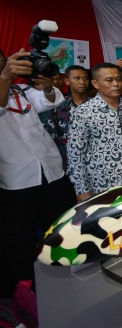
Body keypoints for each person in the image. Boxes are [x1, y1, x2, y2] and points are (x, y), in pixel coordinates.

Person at [0, 49, 76, 298]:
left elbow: (51, 100)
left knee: (59, 227)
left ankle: (65, 274)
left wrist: (46, 86)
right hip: (17, 180)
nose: (3, 67)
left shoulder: (20, 91)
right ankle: (27, 290)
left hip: (51, 171)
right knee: (20, 240)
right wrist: (4, 78)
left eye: (3, 62)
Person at [67, 62, 122, 202]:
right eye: (109, 80)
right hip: (103, 183)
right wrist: (81, 188)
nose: (116, 84)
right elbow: (76, 154)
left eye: (119, 79)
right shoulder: (84, 112)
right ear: (96, 84)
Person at [44, 65, 91, 171]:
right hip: (67, 166)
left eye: (85, 78)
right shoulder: (58, 106)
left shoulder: (99, 106)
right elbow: (53, 137)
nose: (82, 82)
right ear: (67, 81)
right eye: (77, 78)